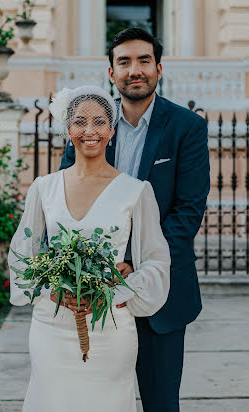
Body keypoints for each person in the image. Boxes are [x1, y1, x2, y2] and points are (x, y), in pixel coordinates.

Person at [60, 28, 210, 412]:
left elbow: (188, 210)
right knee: (99, 401)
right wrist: (92, 267)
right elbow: (65, 201)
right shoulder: (89, 124)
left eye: (144, 60)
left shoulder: (187, 128)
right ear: (111, 73)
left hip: (161, 291)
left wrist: (139, 266)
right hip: (94, 291)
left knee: (161, 403)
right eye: (124, 62)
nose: (135, 70)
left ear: (158, 68)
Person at [8, 85, 171, 412]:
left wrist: (116, 292)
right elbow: (22, 255)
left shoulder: (136, 191)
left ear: (111, 130)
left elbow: (156, 262)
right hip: (52, 327)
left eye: (99, 122)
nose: (89, 131)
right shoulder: (44, 188)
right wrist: (52, 289)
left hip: (110, 329)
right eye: (80, 122)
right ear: (68, 130)